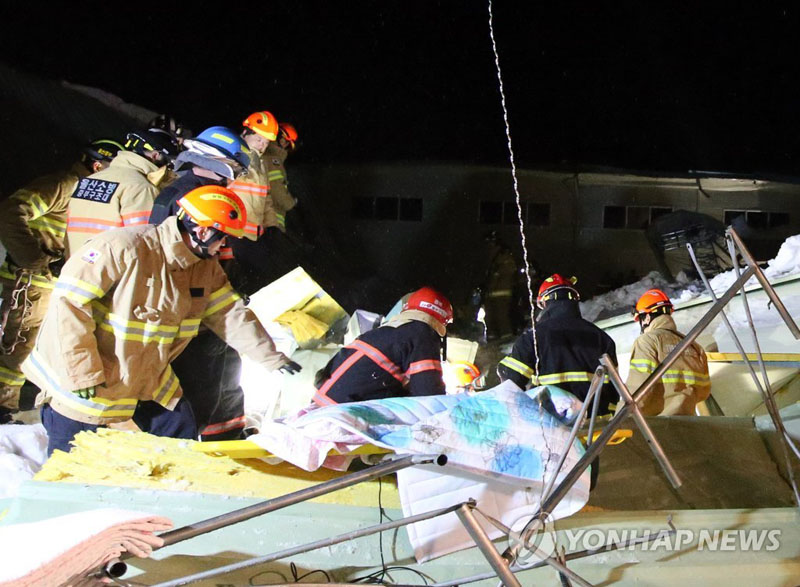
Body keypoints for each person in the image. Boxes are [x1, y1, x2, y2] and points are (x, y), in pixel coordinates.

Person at [22, 185, 300, 455]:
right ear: (202, 231)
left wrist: (272, 358)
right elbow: (68, 307)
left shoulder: (204, 268)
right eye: (223, 236)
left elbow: (230, 313)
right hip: (86, 378)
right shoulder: (123, 248)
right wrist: (82, 372)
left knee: (179, 432)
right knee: (70, 461)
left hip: (146, 375)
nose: (224, 245)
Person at [0, 139, 123, 423]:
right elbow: (9, 212)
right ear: (97, 166)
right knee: (19, 344)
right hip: (32, 283)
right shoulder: (66, 185)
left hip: (55, 284)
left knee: (39, 346)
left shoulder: (88, 195)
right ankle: (3, 407)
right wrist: (36, 259)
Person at [149, 127, 257, 441]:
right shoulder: (186, 197)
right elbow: (177, 259)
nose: (236, 177)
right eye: (236, 168)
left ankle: (226, 434)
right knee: (202, 384)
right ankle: (196, 439)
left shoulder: (193, 191)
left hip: (210, 301)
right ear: (218, 161)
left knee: (224, 374)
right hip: (196, 310)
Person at [497, 274, 619, 414]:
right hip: (598, 421)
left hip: (552, 423)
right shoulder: (601, 337)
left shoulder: (533, 337)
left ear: (544, 303)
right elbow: (614, 389)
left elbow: (511, 382)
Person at [313, 287, 451, 406]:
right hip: (344, 413)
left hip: (321, 406)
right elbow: (429, 395)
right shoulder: (422, 333)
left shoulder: (387, 330)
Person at [65, 128, 180, 256]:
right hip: (110, 266)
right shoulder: (141, 188)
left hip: (74, 263)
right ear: (155, 155)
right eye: (168, 163)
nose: (168, 169)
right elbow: (144, 243)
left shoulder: (85, 182)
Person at [624, 289, 710, 416]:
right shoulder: (693, 346)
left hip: (657, 424)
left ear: (646, 318)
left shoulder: (648, 341)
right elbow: (704, 392)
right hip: (689, 421)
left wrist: (618, 421)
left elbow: (637, 391)